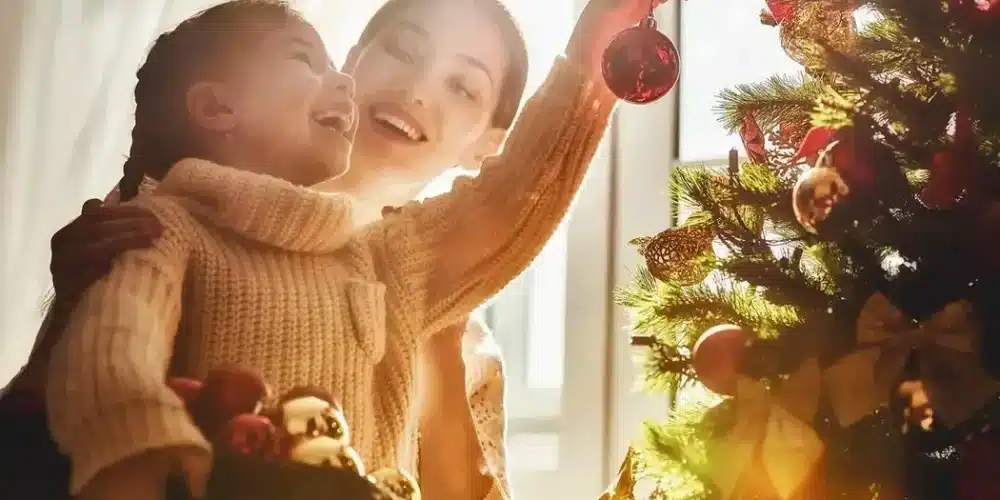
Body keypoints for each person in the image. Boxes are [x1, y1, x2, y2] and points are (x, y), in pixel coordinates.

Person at [7, 0, 661, 498]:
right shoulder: (162, 221)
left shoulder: (445, 313)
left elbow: (518, 196)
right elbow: (48, 430)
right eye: (404, 49)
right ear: (351, 65)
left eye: (463, 86)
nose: (418, 89)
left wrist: (597, 45)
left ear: (488, 145)